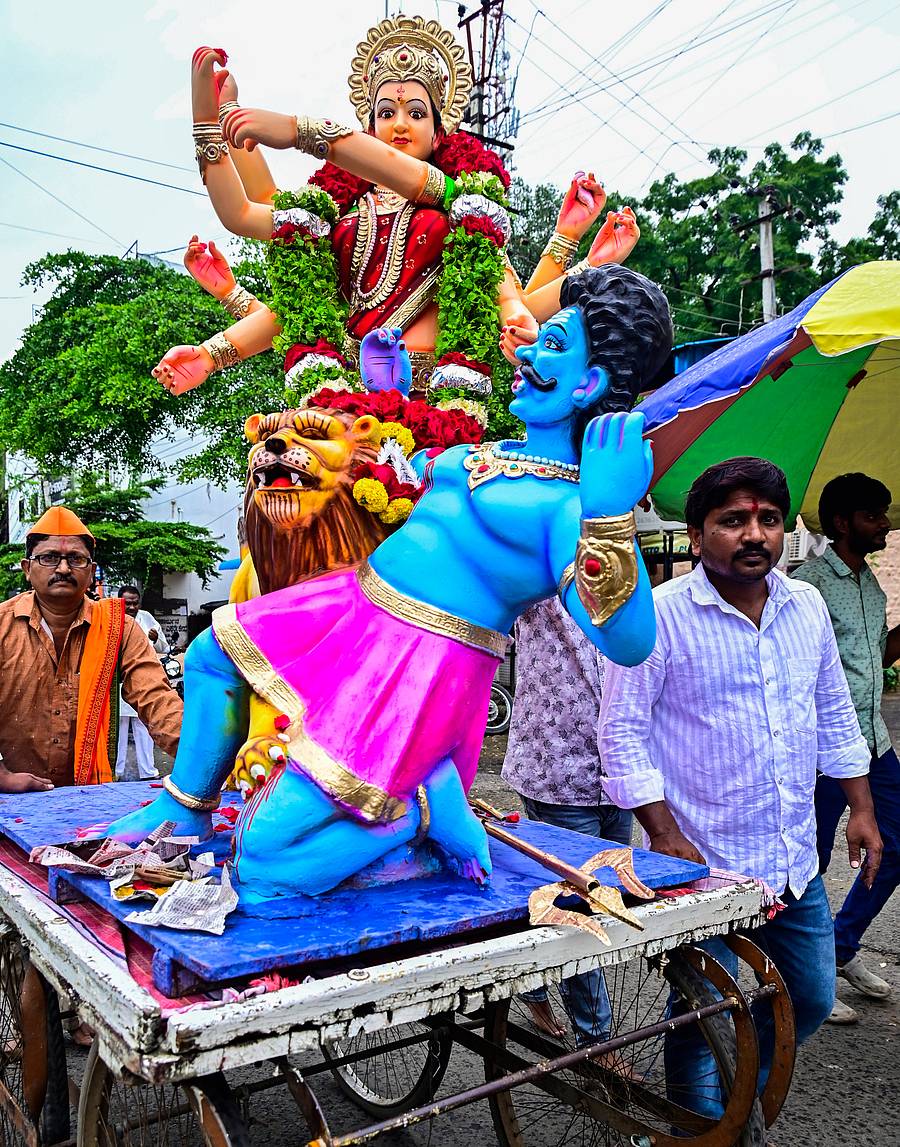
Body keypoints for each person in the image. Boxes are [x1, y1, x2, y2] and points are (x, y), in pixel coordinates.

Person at [107, 263, 673, 906]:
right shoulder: (489, 454)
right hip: (355, 604)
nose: (527, 348)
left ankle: (417, 813)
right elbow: (392, 470)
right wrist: (388, 392)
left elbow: (627, 642)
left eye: (553, 344)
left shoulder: (567, 507)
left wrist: (608, 512)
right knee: (212, 653)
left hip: (420, 659)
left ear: (588, 384)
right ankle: (185, 809)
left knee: (266, 866)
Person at [151, 17, 638, 412]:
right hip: (339, 407)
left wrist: (586, 263)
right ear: (369, 123)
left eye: (416, 113)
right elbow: (244, 217)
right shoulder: (338, 218)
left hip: (443, 409)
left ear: (440, 129)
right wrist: (213, 117)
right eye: (385, 112)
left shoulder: (459, 206)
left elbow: (515, 309)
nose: (400, 124)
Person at [599, 457, 882, 1120]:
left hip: (790, 860)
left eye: (768, 519)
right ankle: (712, 1126)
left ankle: (734, 1105)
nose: (754, 533)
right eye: (733, 520)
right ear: (697, 537)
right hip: (703, 867)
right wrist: (666, 836)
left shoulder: (805, 605)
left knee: (809, 994)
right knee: (699, 1017)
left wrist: (862, 808)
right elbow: (621, 733)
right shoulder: (660, 616)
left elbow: (834, 709)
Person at [794, 473, 900, 1022]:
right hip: (820, 749)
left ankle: (840, 947)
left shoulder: (870, 584)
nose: (885, 524)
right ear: (843, 523)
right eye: (875, 515)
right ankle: (801, 974)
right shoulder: (808, 585)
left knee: (895, 844)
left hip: (874, 742)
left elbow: (873, 660)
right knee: (806, 861)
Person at [502, 596, 632, 1045]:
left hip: (622, 772)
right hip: (556, 772)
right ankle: (595, 1041)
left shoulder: (627, 584)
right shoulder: (539, 587)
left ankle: (534, 982)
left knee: (603, 898)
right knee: (583, 905)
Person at [0, 508, 183, 790]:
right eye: (49, 558)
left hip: (90, 802)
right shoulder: (2, 626)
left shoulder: (120, 629)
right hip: (7, 802)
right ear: (27, 568)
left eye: (75, 559)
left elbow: (158, 700)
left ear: (91, 571)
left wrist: (210, 759)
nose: (63, 568)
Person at [116, 586, 170, 781]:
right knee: (118, 730)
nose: (131, 606)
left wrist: (156, 640)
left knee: (144, 726)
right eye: (127, 603)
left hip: (144, 680)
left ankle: (148, 771)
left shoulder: (147, 618)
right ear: (119, 601)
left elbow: (164, 647)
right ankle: (117, 771)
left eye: (135, 602)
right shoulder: (112, 617)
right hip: (119, 683)